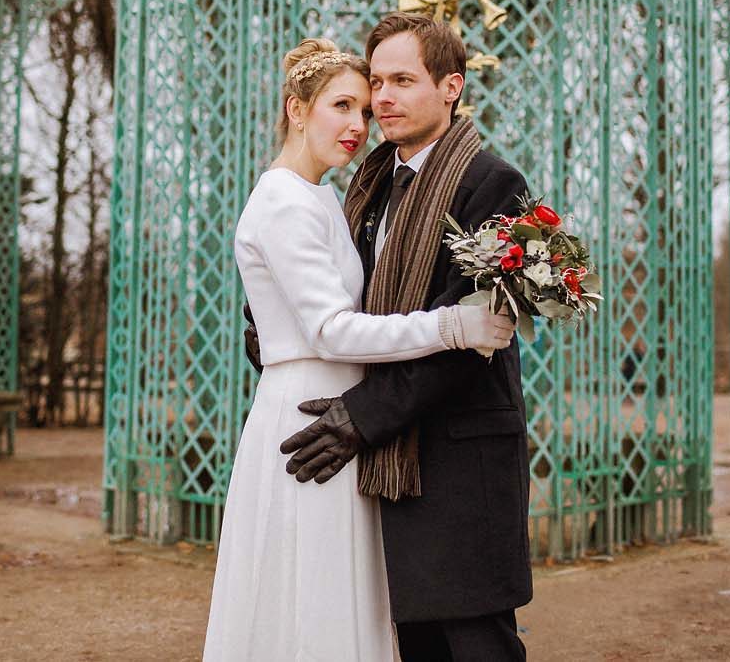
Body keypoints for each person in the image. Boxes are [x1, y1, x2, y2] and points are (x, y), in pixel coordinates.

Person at [203, 38, 515, 662]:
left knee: (469, 640)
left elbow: (459, 342)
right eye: (369, 88)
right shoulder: (365, 189)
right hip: (337, 430)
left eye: (397, 83)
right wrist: (275, 328)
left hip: (439, 449)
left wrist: (363, 410)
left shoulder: (489, 183)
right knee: (320, 604)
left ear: (450, 88)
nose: (374, 107)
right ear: (297, 109)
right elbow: (335, 313)